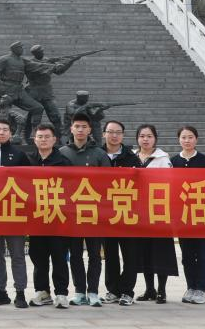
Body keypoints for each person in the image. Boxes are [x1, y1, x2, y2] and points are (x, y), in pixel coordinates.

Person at [60, 112, 111, 306]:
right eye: (77, 126)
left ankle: (94, 291)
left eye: (84, 127)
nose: (80, 130)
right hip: (71, 213)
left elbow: (108, 183)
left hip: (94, 212)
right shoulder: (63, 152)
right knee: (75, 254)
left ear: (90, 130)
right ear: (71, 129)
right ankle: (79, 291)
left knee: (94, 254)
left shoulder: (99, 154)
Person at [0, 117, 30, 308]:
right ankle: (0, 291)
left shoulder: (19, 155)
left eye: (5, 130)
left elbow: (30, 182)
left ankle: (20, 292)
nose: (1, 132)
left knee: (18, 254)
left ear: (10, 133)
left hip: (14, 214)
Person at [27, 123, 71, 308]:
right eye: (40, 137)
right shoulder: (28, 161)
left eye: (47, 137)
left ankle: (61, 293)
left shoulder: (64, 162)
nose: (43, 140)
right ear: (34, 139)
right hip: (36, 218)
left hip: (58, 217)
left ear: (54, 139)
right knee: (38, 257)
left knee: (59, 257)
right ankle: (42, 291)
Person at [133, 124, 178, 303]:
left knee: (161, 251)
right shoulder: (133, 157)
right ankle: (149, 289)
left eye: (149, 136)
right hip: (139, 212)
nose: (145, 139)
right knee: (144, 251)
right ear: (137, 138)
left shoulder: (162, 159)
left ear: (155, 138)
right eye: (142, 136)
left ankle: (161, 290)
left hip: (159, 212)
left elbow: (169, 182)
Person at [171, 126, 205, 305]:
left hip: (203, 214)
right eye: (183, 137)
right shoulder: (173, 161)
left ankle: (201, 289)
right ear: (179, 140)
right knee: (187, 254)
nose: (187, 140)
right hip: (183, 215)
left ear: (196, 139)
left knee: (203, 254)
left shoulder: (204, 160)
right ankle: (191, 286)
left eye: (190, 137)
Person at [101, 120, 139, 306]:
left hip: (127, 212)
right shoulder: (98, 155)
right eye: (110, 132)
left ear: (123, 135)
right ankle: (112, 290)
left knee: (130, 254)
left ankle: (127, 291)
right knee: (110, 254)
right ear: (103, 134)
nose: (114, 135)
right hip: (105, 213)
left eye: (118, 132)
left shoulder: (131, 157)